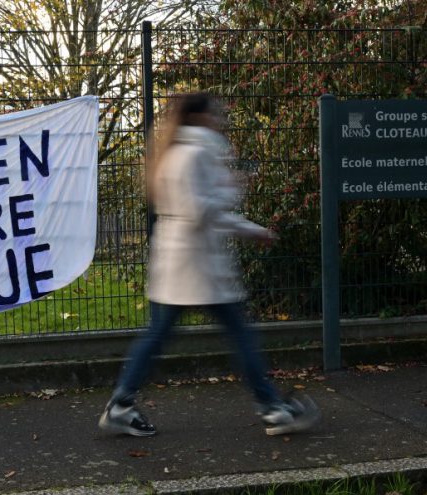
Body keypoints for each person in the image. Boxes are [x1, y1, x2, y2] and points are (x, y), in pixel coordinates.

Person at [98, 92, 320, 438]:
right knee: (239, 334)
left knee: (160, 335)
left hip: (180, 261)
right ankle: (273, 409)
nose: (218, 119)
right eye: (213, 113)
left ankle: (121, 405)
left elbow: (196, 208)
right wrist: (236, 197)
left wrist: (245, 222)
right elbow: (199, 210)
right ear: (197, 117)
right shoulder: (196, 154)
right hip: (198, 263)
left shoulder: (176, 152)